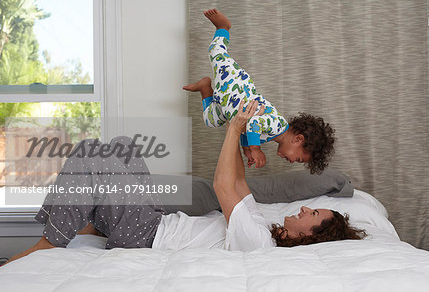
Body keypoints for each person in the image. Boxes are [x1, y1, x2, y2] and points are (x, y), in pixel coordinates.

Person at [4, 102, 365, 265]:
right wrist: (244, 144)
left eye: (312, 212)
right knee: (124, 149)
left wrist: (234, 129)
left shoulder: (258, 243)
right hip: (155, 223)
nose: (303, 207)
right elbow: (238, 184)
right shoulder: (263, 227)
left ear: (308, 236)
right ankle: (85, 225)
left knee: (92, 156)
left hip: (144, 238)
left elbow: (224, 187)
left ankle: (47, 243)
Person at [183, 9, 335, 173]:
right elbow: (254, 122)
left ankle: (205, 87)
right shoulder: (277, 125)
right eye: (298, 158)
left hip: (226, 103)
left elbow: (245, 129)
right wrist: (255, 149)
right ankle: (223, 28)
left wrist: (247, 150)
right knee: (216, 53)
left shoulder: (271, 136)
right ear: (298, 139)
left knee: (211, 120)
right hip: (234, 84)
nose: (293, 162)